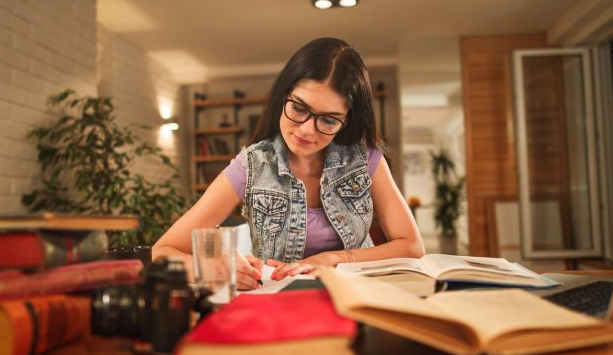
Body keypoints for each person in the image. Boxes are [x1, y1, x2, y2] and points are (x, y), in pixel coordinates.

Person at [152, 37, 424, 289]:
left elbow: (411, 245)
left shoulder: (365, 159)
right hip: (279, 305)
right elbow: (162, 252)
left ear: (346, 121)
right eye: (298, 108)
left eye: (328, 120)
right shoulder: (251, 165)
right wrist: (217, 269)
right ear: (284, 97)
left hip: (358, 296)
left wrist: (333, 259)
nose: (307, 130)